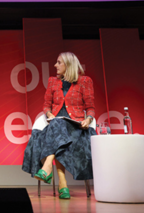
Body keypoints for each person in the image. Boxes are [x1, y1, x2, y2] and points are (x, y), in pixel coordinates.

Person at [22, 52, 96, 199]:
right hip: (56, 125)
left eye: (59, 62)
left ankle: (48, 167)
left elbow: (90, 107)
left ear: (68, 65)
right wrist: (49, 114)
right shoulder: (52, 82)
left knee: (56, 133)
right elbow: (46, 105)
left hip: (76, 127)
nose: (55, 65)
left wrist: (88, 120)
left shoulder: (85, 81)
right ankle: (62, 183)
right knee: (57, 125)